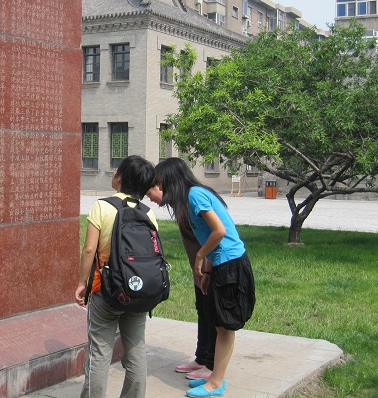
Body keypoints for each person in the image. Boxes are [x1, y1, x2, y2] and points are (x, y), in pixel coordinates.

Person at [154, 158, 255, 397]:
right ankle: (214, 377)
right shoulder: (190, 199)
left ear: (171, 179)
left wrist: (200, 256)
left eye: (159, 182)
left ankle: (216, 383)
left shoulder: (195, 195)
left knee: (224, 327)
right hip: (220, 265)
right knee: (220, 325)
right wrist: (208, 271)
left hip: (231, 264)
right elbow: (211, 236)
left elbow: (219, 231)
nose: (158, 187)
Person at [75, 155, 157, 398]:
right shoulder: (148, 213)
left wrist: (82, 283)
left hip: (106, 291)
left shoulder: (102, 207)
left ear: (121, 177)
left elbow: (89, 249)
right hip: (138, 291)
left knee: (100, 353)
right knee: (136, 351)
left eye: (116, 169)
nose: (113, 172)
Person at [147, 186, 217, 381]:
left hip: (212, 267)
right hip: (200, 270)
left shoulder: (193, 201)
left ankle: (212, 364)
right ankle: (202, 358)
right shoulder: (180, 207)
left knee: (212, 315)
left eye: (151, 191)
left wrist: (206, 267)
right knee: (202, 310)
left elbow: (215, 234)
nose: (149, 197)